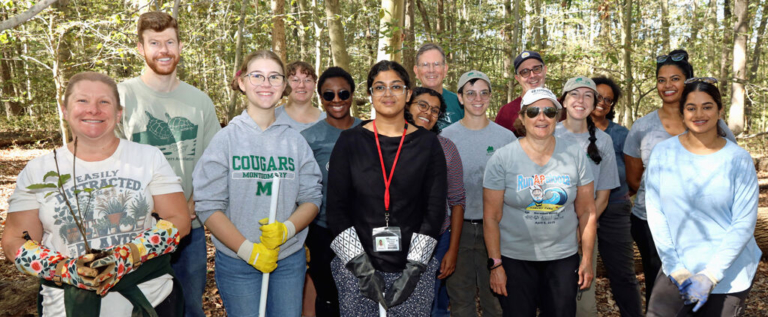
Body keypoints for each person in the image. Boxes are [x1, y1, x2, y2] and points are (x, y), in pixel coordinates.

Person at [3, 72, 191, 316]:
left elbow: (180, 221)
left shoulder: (148, 157)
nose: (93, 110)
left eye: (104, 102)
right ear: (64, 110)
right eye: (82, 101)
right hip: (66, 306)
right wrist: (65, 269)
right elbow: (13, 242)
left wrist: (127, 256)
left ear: (118, 112)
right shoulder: (39, 170)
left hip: (149, 299)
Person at [192, 50, 323, 316]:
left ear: (284, 85)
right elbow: (208, 205)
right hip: (237, 261)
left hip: (288, 260)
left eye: (274, 77)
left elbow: (312, 198)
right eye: (257, 76)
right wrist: (246, 249)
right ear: (241, 82)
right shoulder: (225, 140)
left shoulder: (295, 141)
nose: (266, 84)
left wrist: (287, 229)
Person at [115, 12, 220, 317]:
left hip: (191, 227)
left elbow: (213, 163)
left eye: (169, 42)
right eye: (154, 43)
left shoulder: (199, 101)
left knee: (190, 308)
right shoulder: (122, 96)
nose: (163, 50)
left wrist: (190, 206)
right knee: (140, 308)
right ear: (140, 48)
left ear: (180, 46)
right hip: (137, 228)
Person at [327, 60, 447, 316]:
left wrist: (414, 269)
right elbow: (336, 210)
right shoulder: (349, 141)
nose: (388, 93)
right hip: (355, 269)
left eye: (396, 86)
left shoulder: (427, 144)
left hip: (413, 268)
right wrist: (361, 267)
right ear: (370, 95)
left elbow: (434, 210)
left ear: (408, 94)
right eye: (379, 87)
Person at [623, 49, 736, 307]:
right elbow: (634, 180)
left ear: (687, 82)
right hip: (650, 221)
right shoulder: (642, 127)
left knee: (699, 281)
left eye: (675, 78)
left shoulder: (711, 122)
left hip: (701, 222)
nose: (667, 85)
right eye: (661, 80)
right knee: (659, 285)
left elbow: (730, 165)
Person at [644, 77, 761, 316]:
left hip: (727, 275)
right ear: (682, 112)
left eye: (707, 106)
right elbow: (656, 213)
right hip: (676, 270)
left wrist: (710, 275)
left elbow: (743, 223)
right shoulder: (663, 153)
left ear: (719, 111)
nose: (699, 113)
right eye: (691, 107)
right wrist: (675, 268)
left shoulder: (738, 159)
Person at [484, 87, 598, 317]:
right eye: (534, 111)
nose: (541, 117)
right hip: (514, 259)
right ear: (522, 117)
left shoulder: (575, 155)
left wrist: (586, 259)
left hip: (562, 259)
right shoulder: (502, 158)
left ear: (558, 116)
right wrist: (496, 265)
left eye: (549, 112)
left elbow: (587, 211)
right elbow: (491, 217)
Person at [441, 70, 514, 317]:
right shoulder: (446, 137)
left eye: (483, 93)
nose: (477, 98)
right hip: (457, 229)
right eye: (470, 93)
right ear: (460, 98)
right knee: (461, 301)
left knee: (495, 301)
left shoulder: (506, 138)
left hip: (496, 230)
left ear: (490, 97)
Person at [554, 76, 620, 317]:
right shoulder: (549, 133)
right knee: (553, 301)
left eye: (587, 96)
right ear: (563, 100)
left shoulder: (604, 141)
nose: (580, 100)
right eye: (574, 94)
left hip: (585, 233)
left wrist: (583, 229)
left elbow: (602, 194)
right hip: (549, 232)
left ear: (594, 104)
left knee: (584, 305)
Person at [301, 66, 363, 316]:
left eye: (343, 93)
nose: (336, 100)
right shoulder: (308, 138)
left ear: (351, 95)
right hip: (323, 229)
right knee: (329, 294)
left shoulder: (369, 131)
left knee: (361, 292)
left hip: (363, 229)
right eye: (329, 95)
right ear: (321, 98)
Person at [405, 87, 467, 317]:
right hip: (395, 241)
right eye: (422, 105)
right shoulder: (386, 143)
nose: (428, 113)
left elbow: (458, 200)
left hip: (437, 240)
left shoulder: (447, 148)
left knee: (432, 303)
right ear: (407, 105)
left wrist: (452, 249)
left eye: (435, 110)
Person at [589, 76, 643, 317]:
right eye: (597, 96)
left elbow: (632, 177)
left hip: (614, 210)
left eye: (608, 100)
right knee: (569, 271)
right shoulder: (568, 130)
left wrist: (616, 196)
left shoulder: (621, 134)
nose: (602, 102)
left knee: (622, 273)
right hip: (575, 211)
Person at [495, 51, 547, 137]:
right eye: (525, 72)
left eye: (536, 69)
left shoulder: (559, 107)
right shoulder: (506, 112)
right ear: (517, 78)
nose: (532, 75)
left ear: (545, 70)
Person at [413, 43, 463, 129]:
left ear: (445, 69)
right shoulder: (407, 104)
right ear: (416, 71)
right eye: (425, 64)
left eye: (436, 64)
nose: (431, 70)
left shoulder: (459, 104)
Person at [275, 61, 327, 131]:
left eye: (307, 80)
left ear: (315, 85)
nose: (301, 85)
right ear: (285, 84)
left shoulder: (329, 121)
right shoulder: (272, 118)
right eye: (295, 80)